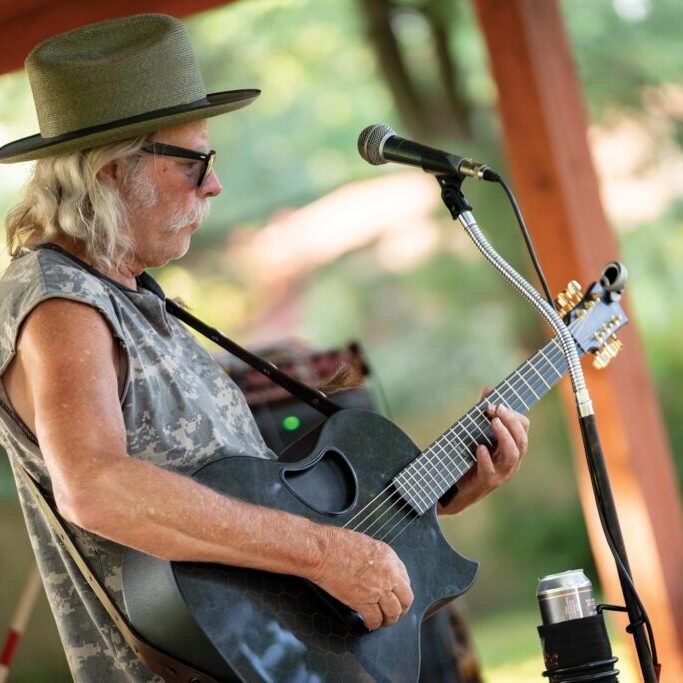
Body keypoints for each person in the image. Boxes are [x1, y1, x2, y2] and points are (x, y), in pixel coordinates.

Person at [0, 13, 530, 683]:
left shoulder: (134, 297)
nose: (214, 184)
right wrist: (322, 552)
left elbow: (246, 521)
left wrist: (426, 501)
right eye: (195, 162)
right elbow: (96, 486)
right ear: (110, 171)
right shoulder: (60, 300)